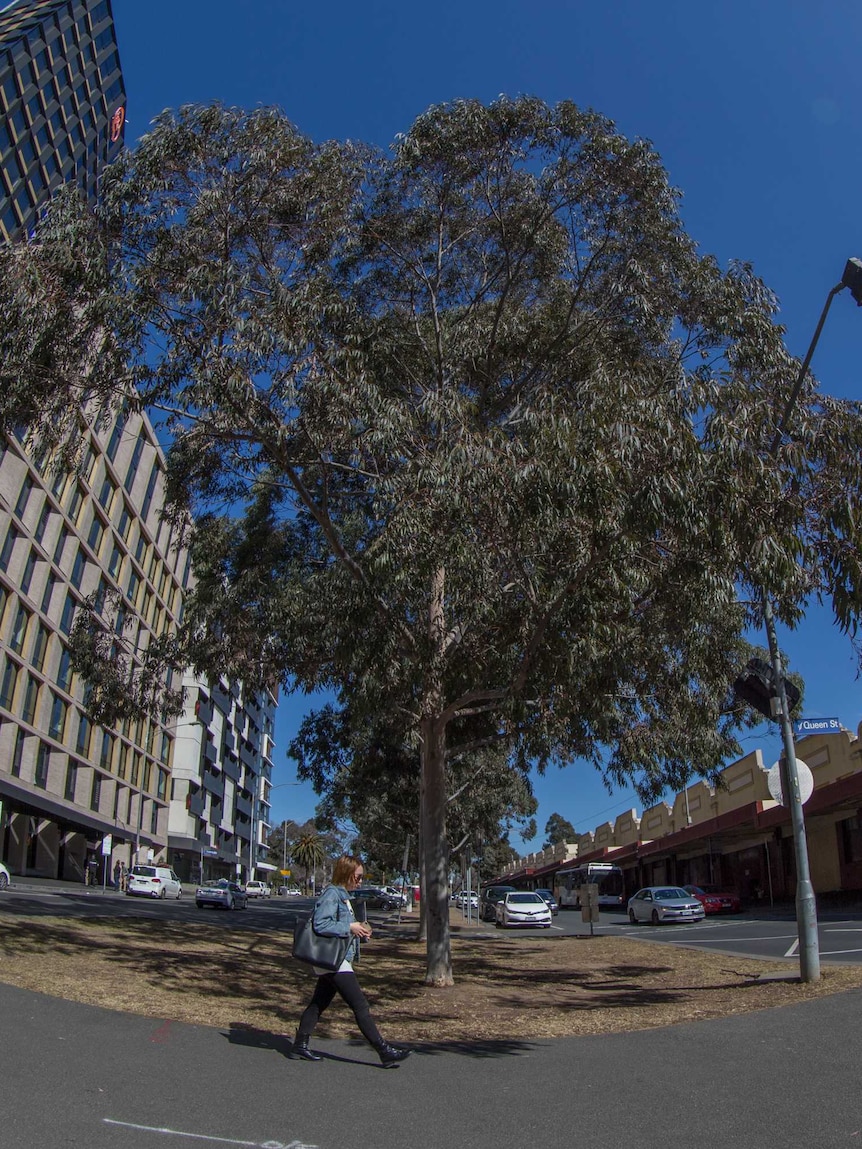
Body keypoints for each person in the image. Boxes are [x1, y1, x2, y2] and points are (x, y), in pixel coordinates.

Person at [293, 855, 410, 1067]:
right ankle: (384, 1050)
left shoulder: (343, 896)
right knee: (360, 1005)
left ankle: (299, 1045)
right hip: (333, 960)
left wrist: (359, 933)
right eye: (357, 877)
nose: (360, 881)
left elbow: (341, 927)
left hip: (332, 959)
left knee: (319, 1003)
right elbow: (321, 924)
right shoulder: (332, 894)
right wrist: (350, 927)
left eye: (361, 877)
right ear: (346, 874)